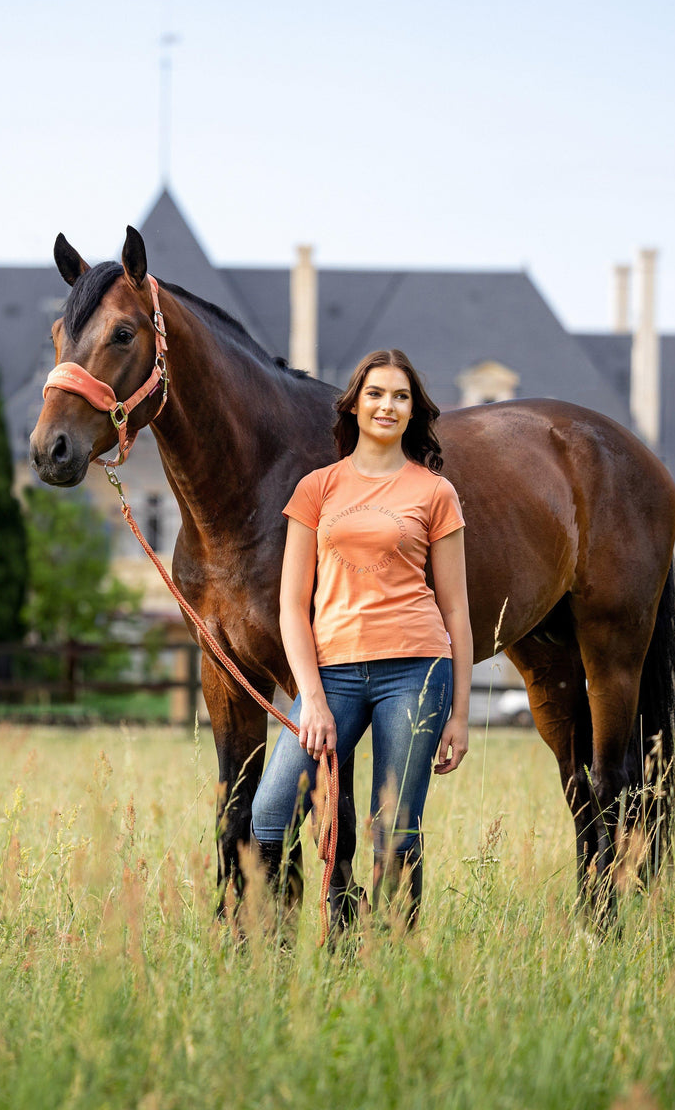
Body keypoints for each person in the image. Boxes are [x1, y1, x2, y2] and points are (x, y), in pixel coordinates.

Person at [251, 348, 472, 928]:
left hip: (417, 670)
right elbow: (292, 606)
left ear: (413, 411)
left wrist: (461, 714)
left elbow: (456, 609)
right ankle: (271, 946)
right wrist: (312, 699)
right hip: (334, 675)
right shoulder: (317, 488)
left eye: (400, 396)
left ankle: (391, 957)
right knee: (270, 812)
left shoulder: (435, 493)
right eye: (375, 393)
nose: (386, 406)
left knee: (394, 827)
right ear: (354, 404)